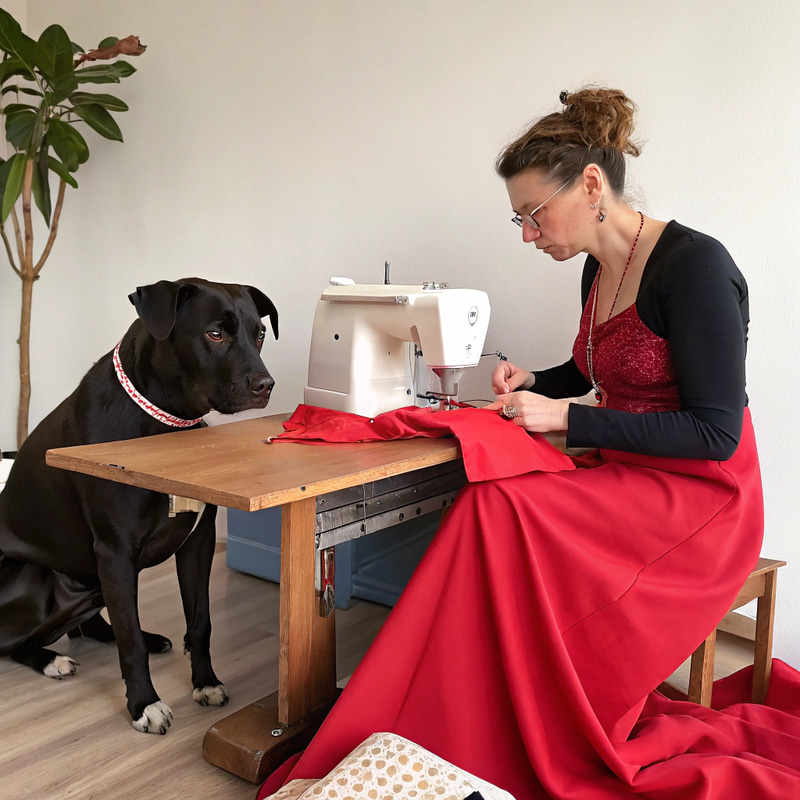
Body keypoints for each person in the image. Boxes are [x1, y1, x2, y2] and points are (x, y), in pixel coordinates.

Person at [259, 89, 800, 799]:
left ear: (592, 185)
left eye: (533, 214)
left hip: (703, 497)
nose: (526, 234)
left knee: (506, 511)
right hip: (627, 469)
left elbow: (713, 431)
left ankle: (500, 717)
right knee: (492, 501)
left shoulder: (695, 266)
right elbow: (594, 366)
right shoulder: (596, 267)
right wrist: (537, 379)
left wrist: (567, 421)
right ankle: (454, 709)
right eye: (518, 218)